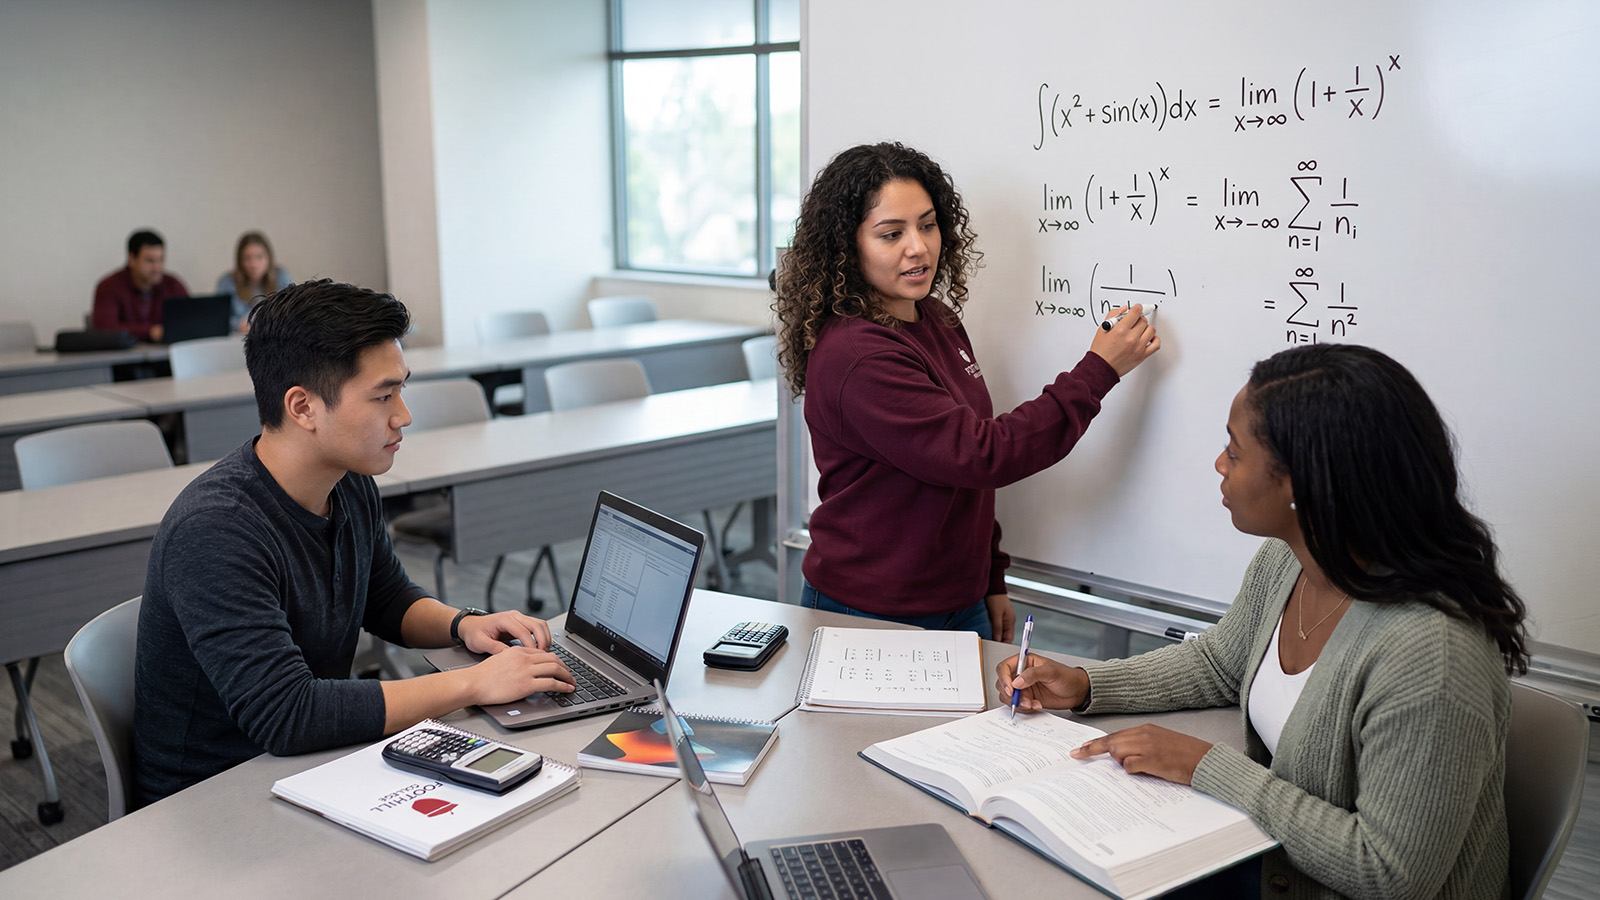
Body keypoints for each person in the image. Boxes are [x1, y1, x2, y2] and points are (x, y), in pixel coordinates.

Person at [998, 343, 1529, 899]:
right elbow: (1220, 664)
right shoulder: (1291, 558)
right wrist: (1087, 684)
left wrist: (1206, 765)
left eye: (1234, 450)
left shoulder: (1430, 655)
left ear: (1299, 482)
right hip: (1269, 857)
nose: (1219, 464)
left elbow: (1388, 873)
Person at [133, 279, 575, 805]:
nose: (403, 415)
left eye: (402, 389)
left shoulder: (347, 479)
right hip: (214, 795)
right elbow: (287, 715)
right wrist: (475, 684)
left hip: (314, 760)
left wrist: (465, 624)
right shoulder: (215, 529)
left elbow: (384, 598)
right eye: (383, 395)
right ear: (302, 407)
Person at [771, 142, 1159, 642]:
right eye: (892, 234)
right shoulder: (859, 355)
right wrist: (1098, 370)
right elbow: (982, 454)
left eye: (928, 225)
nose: (919, 247)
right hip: (872, 611)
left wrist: (990, 575)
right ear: (847, 248)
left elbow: (964, 474)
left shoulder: (934, 317)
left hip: (959, 599)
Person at [92, 229, 189, 342]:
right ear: (132, 259)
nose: (157, 267)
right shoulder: (109, 287)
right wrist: (150, 332)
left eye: (161, 260)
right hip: (125, 357)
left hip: (166, 355)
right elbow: (104, 329)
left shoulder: (172, 285)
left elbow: (189, 321)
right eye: (150, 261)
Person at [216, 230, 292, 332]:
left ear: (269, 258)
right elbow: (220, 319)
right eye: (247, 258)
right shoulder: (227, 282)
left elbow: (291, 311)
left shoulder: (281, 276)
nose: (254, 264)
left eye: (259, 257)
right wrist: (238, 325)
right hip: (240, 339)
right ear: (240, 261)